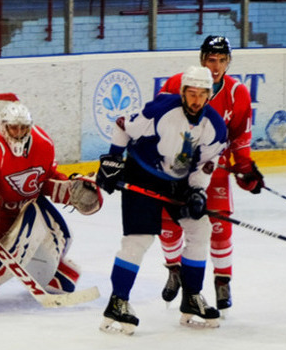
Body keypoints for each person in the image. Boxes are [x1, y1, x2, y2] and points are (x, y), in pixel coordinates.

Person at [96, 65, 228, 334]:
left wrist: (197, 191)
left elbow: (206, 163)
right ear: (183, 93)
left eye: (201, 94)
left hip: (177, 181)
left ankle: (192, 297)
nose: (195, 99)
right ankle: (117, 301)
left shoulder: (214, 126)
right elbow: (122, 126)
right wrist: (112, 160)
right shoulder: (161, 110)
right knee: (139, 239)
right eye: (191, 93)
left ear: (209, 95)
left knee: (199, 227)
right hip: (142, 173)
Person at [0, 101, 103, 310]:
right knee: (20, 242)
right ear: (2, 126)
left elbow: (45, 179)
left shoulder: (43, 143)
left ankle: (54, 273)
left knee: (63, 241)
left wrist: (69, 188)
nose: (18, 132)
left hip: (27, 206)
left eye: (23, 127)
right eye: (13, 127)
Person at [156, 35, 263, 312]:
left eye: (222, 60)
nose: (216, 66)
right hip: (174, 170)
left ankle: (222, 280)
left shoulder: (237, 93)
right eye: (211, 60)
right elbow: (157, 123)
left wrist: (245, 168)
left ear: (229, 62)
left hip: (212, 170)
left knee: (220, 228)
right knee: (167, 227)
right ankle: (174, 271)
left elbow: (240, 137)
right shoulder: (176, 84)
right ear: (202, 59)